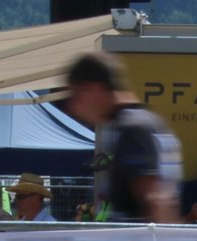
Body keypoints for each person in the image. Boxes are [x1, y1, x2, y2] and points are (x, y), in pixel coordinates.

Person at [64, 51, 181, 224]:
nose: (72, 107)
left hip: (141, 240)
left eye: (75, 95)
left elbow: (156, 202)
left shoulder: (133, 128)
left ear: (94, 89)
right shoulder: (144, 121)